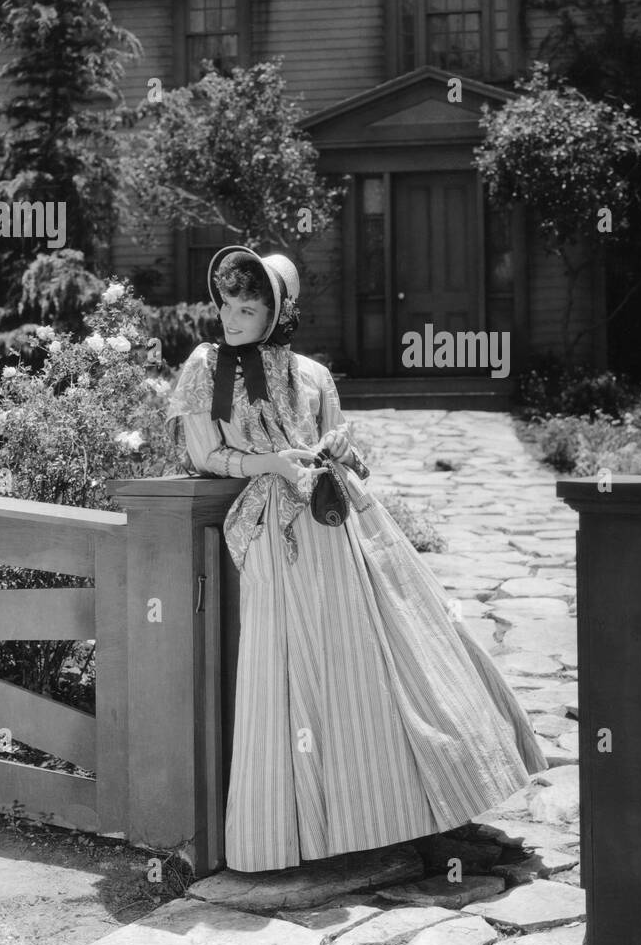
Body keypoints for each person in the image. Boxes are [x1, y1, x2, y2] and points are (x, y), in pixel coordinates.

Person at [166, 245, 548, 872]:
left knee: (384, 652)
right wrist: (269, 462)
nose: (232, 318)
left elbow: (345, 447)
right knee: (294, 668)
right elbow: (204, 452)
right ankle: (299, 831)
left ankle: (413, 806)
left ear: (277, 313)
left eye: (249, 307)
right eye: (227, 304)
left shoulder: (312, 373)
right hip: (275, 530)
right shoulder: (206, 367)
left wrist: (333, 448)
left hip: (340, 521)